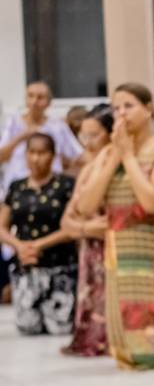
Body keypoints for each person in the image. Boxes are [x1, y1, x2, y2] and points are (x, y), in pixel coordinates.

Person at [76, 83, 154, 369]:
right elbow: (85, 206)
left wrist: (128, 157)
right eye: (116, 108)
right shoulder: (108, 153)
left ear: (148, 109)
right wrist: (115, 156)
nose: (121, 113)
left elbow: (152, 201)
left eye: (128, 106)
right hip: (120, 245)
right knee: (128, 339)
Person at [0, 134, 77, 335]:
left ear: (52, 156)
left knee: (60, 328)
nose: (36, 158)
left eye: (42, 153)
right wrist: (19, 245)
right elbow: (2, 227)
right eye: (31, 152)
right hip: (26, 264)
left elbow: (72, 227)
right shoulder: (17, 187)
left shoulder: (66, 185)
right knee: (28, 327)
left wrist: (38, 245)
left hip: (60, 265)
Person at [61, 104, 113, 356]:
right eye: (84, 136)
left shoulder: (116, 164)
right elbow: (66, 221)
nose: (88, 143)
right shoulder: (86, 170)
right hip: (90, 245)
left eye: (94, 135)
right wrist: (85, 227)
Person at [0, 81, 83, 196]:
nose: (34, 102)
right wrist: (21, 137)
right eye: (31, 96)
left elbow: (78, 156)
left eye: (40, 98)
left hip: (51, 190)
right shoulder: (13, 123)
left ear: (49, 103)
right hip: (16, 190)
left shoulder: (57, 126)